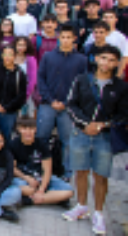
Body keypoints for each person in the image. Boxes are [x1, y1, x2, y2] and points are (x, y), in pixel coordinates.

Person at [63, 45, 128, 234]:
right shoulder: (82, 80)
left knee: (101, 175)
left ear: (117, 63)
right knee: (80, 171)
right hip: (80, 133)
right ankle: (82, 206)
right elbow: (71, 105)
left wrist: (101, 125)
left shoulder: (121, 87)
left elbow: (123, 115)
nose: (106, 62)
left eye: (111, 59)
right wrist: (84, 125)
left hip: (105, 137)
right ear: (96, 59)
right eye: (103, 58)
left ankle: (99, 213)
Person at [37, 24, 87, 178]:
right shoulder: (48, 56)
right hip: (48, 105)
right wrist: (50, 100)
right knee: (41, 138)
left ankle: (67, 172)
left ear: (74, 39)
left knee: (68, 141)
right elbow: (41, 79)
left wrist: (67, 102)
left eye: (68, 38)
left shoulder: (81, 60)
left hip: (68, 108)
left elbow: (82, 84)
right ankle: (41, 169)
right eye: (63, 37)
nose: (65, 40)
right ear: (59, 38)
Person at [11, 116, 74, 207]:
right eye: (24, 128)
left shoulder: (41, 144)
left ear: (35, 129)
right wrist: (27, 178)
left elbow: (47, 170)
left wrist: (41, 190)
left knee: (69, 191)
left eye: (31, 129)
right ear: (19, 129)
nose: (28, 132)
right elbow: (12, 168)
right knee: (24, 189)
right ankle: (52, 198)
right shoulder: (14, 144)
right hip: (24, 179)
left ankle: (29, 200)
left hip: (41, 177)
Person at [0, 45, 27, 141]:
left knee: (5, 138)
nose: (7, 57)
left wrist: (7, 107)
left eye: (10, 54)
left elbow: (21, 95)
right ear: (2, 55)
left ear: (15, 56)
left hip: (9, 113)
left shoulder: (19, 73)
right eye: (5, 54)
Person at [13, 36, 37, 118]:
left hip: (25, 93)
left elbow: (33, 80)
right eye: (19, 45)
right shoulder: (10, 58)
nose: (21, 47)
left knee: (25, 118)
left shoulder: (31, 59)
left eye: (23, 45)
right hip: (10, 93)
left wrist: (25, 96)